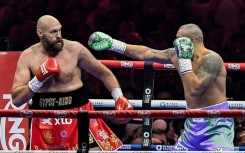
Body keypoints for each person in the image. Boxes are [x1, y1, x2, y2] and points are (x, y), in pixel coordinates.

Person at [88, 23, 234, 151]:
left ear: (191, 41)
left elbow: (194, 89)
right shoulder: (176, 54)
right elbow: (146, 52)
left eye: (178, 39)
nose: (175, 42)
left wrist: (183, 61)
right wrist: (113, 44)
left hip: (216, 122)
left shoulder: (212, 60)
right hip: (192, 122)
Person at [11, 15, 133, 151]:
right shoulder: (28, 56)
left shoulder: (75, 49)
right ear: (40, 33)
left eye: (59, 30)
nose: (59, 36)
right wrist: (37, 80)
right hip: (45, 119)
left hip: (79, 114)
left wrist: (118, 96)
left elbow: (104, 73)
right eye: (53, 32)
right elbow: (16, 100)